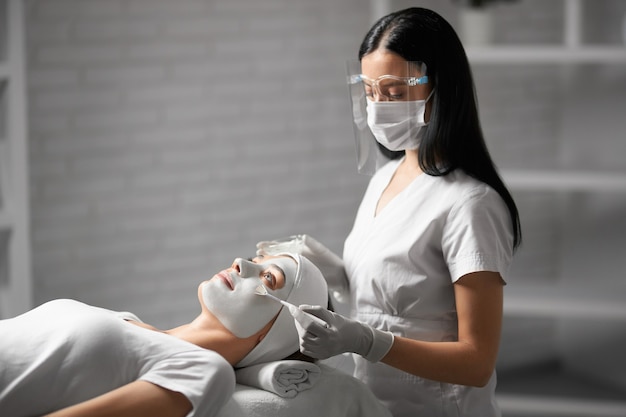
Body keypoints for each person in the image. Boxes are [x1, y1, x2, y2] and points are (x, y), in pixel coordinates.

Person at [258, 7, 522, 417]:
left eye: (395, 93)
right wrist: (329, 271)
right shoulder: (386, 177)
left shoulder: (472, 205)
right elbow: (393, 295)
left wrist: (365, 342)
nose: (379, 106)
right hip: (375, 403)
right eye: (370, 92)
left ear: (442, 88)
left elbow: (476, 362)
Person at [0, 253, 328, 417]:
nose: (241, 263)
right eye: (256, 259)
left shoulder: (203, 371)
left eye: (269, 278)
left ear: (271, 335)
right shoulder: (130, 322)